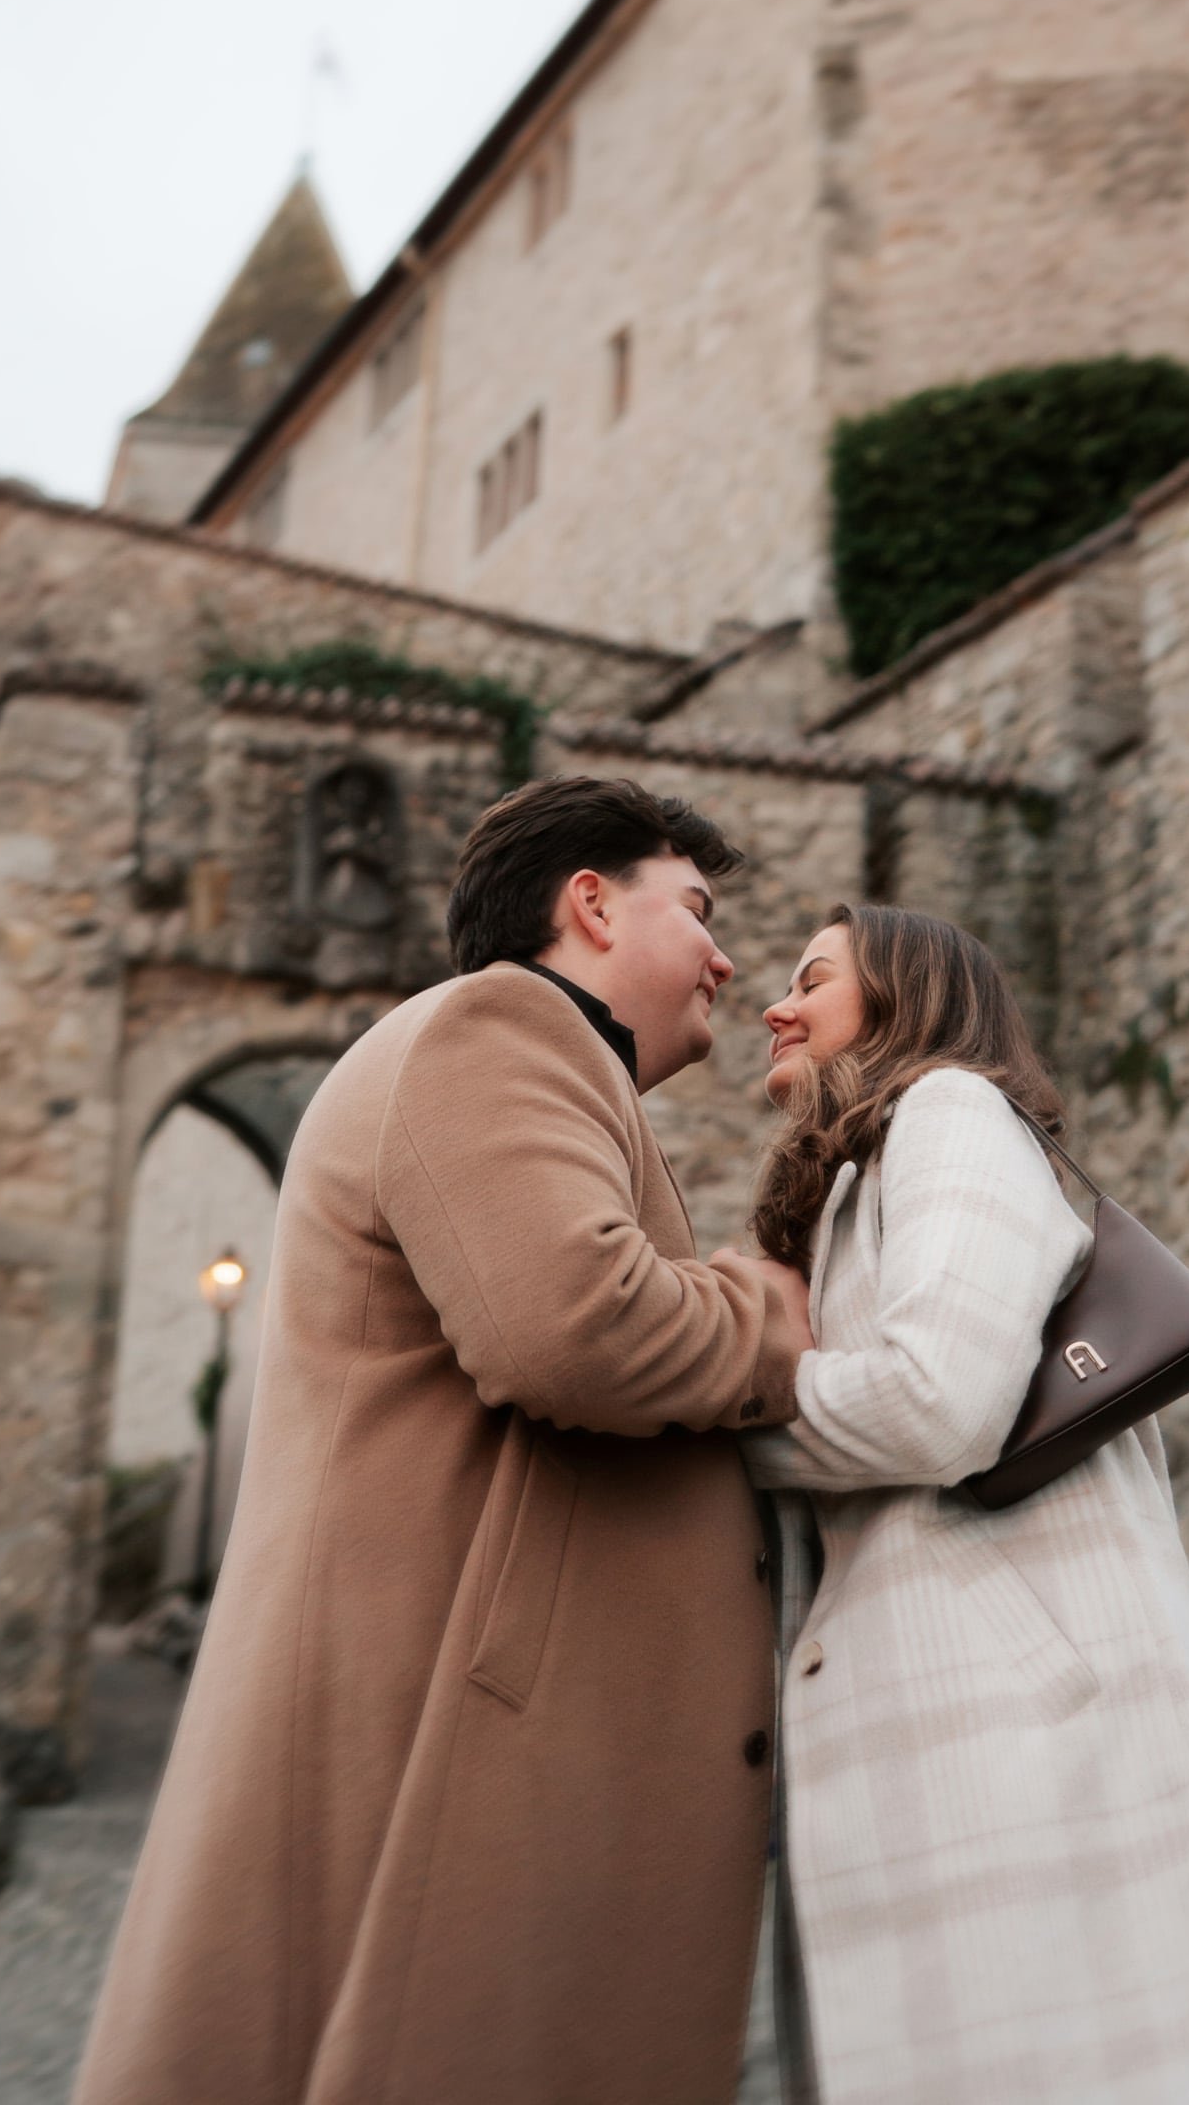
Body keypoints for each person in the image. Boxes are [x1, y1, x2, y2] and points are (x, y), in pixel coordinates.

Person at [72, 774, 812, 2105]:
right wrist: (785, 1306)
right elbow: (576, 1329)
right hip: (445, 1750)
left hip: (453, 1727)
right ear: (588, 904)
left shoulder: (539, 1067)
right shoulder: (502, 1027)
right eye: (697, 910)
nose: (727, 956)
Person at [730, 903, 1189, 2105]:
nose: (776, 1003)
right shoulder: (861, 1177)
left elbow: (935, 1405)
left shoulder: (949, 1112)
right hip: (960, 1731)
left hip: (1020, 1736)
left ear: (905, 998)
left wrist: (713, 1432)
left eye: (812, 978)